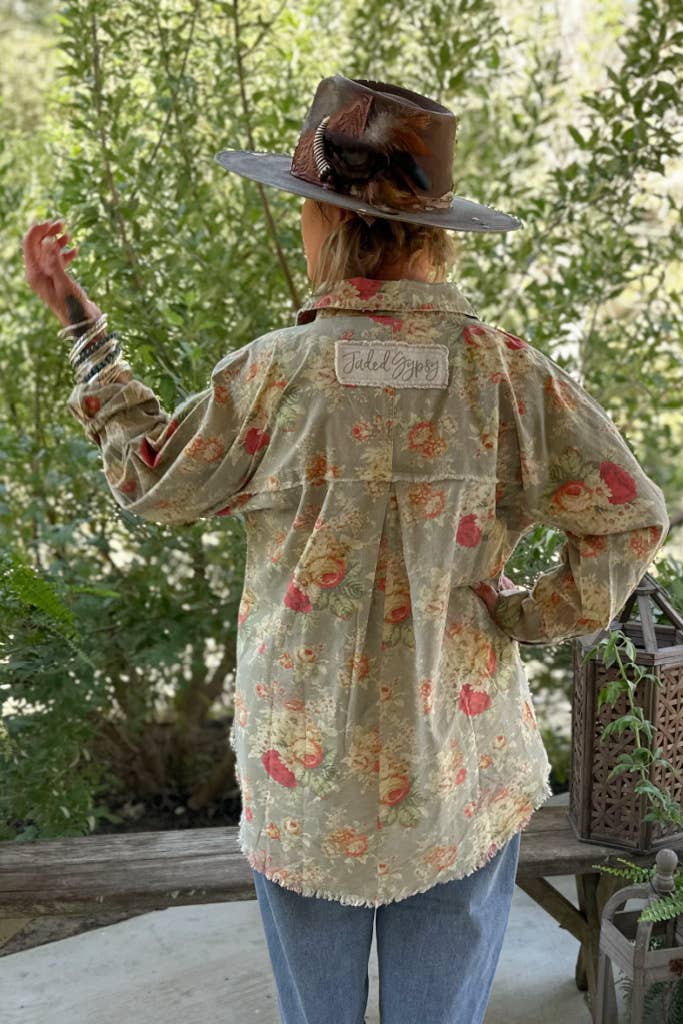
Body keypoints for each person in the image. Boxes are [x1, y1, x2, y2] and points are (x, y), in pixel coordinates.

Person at [23, 74, 669, 1024]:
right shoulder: (505, 374)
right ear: (433, 233)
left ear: (326, 225)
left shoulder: (274, 376)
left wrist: (84, 326)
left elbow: (151, 479)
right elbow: (630, 513)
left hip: (304, 776)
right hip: (460, 767)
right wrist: (528, 614)